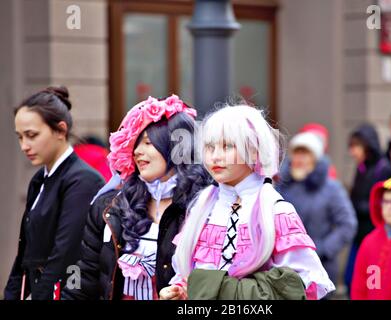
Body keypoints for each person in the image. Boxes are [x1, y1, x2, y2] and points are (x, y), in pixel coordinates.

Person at [159, 105, 335, 300]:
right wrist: (179, 290)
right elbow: (189, 275)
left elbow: (304, 283)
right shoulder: (202, 209)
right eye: (210, 147)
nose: (215, 156)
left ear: (253, 152)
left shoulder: (276, 211)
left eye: (227, 146)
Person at [61, 95, 211, 300]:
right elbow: (84, 276)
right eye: (136, 144)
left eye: (149, 143)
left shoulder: (205, 207)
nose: (138, 152)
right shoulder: (109, 207)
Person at [4, 86, 105, 300]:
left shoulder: (83, 180)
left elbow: (65, 253)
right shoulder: (40, 179)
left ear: (60, 130)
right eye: (20, 137)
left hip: (66, 292)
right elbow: (25, 252)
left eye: (31, 135)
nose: (24, 145)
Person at [276, 131, 357, 289]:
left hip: (319, 269)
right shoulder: (281, 187)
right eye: (296, 154)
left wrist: (324, 248)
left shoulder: (331, 188)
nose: (299, 160)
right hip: (284, 269)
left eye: (305, 154)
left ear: (316, 159)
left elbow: (347, 224)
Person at [344, 124, 391, 292]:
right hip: (359, 234)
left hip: (374, 234)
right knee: (351, 279)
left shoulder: (383, 168)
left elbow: (382, 204)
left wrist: (355, 206)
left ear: (367, 146)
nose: (352, 152)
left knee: (372, 284)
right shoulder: (361, 167)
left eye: (355, 146)